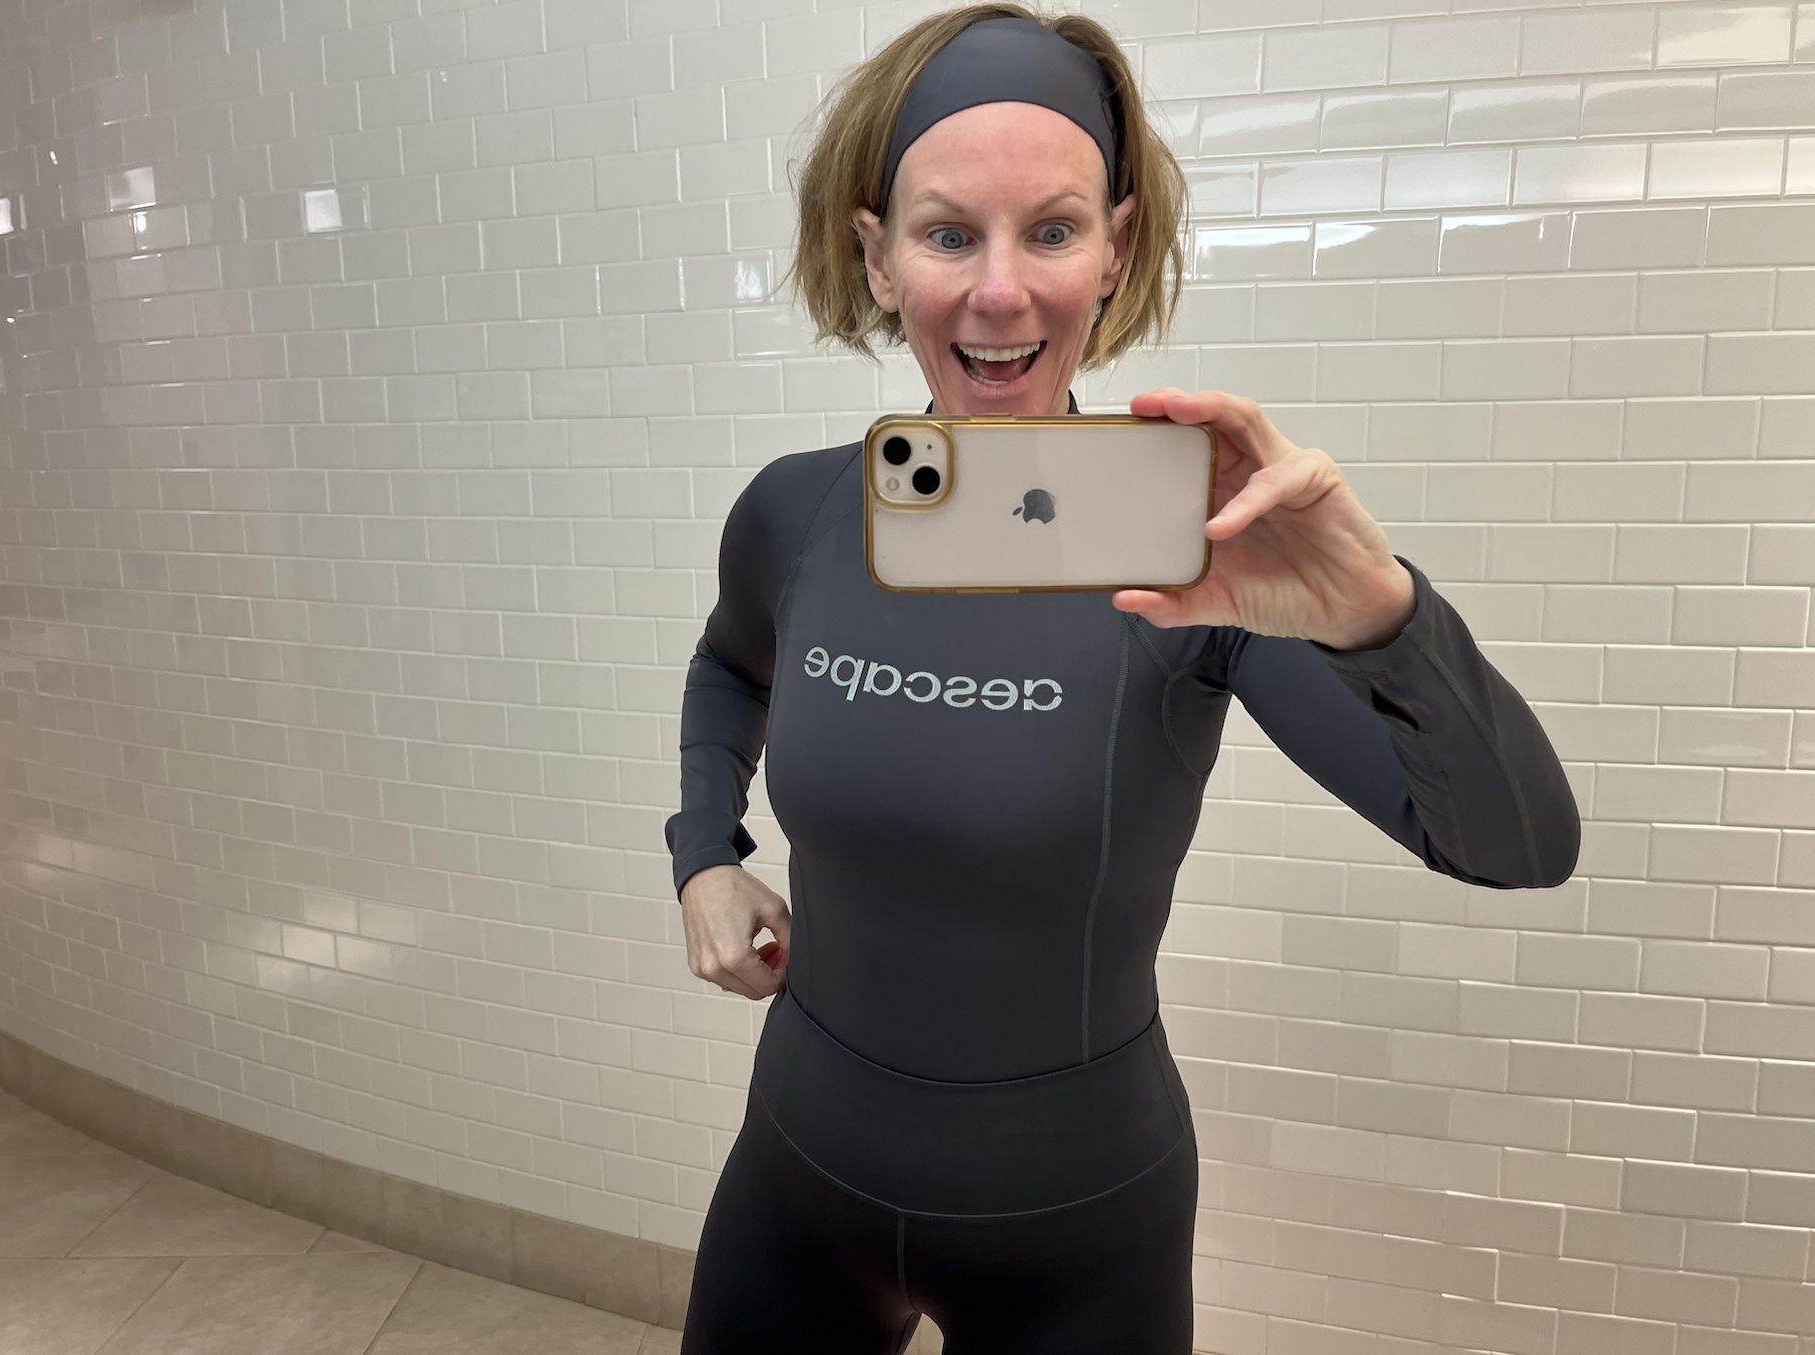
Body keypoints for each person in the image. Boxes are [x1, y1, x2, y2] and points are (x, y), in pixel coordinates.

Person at [664, 8, 1580, 1352]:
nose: (999, 292)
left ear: (1117, 250)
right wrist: (704, 852)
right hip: (798, 1174)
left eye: (1051, 230)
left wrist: (1381, 618)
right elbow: (726, 666)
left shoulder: (1204, 558)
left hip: (1078, 1228)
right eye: (947, 234)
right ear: (877, 257)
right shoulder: (796, 517)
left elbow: (1516, 848)